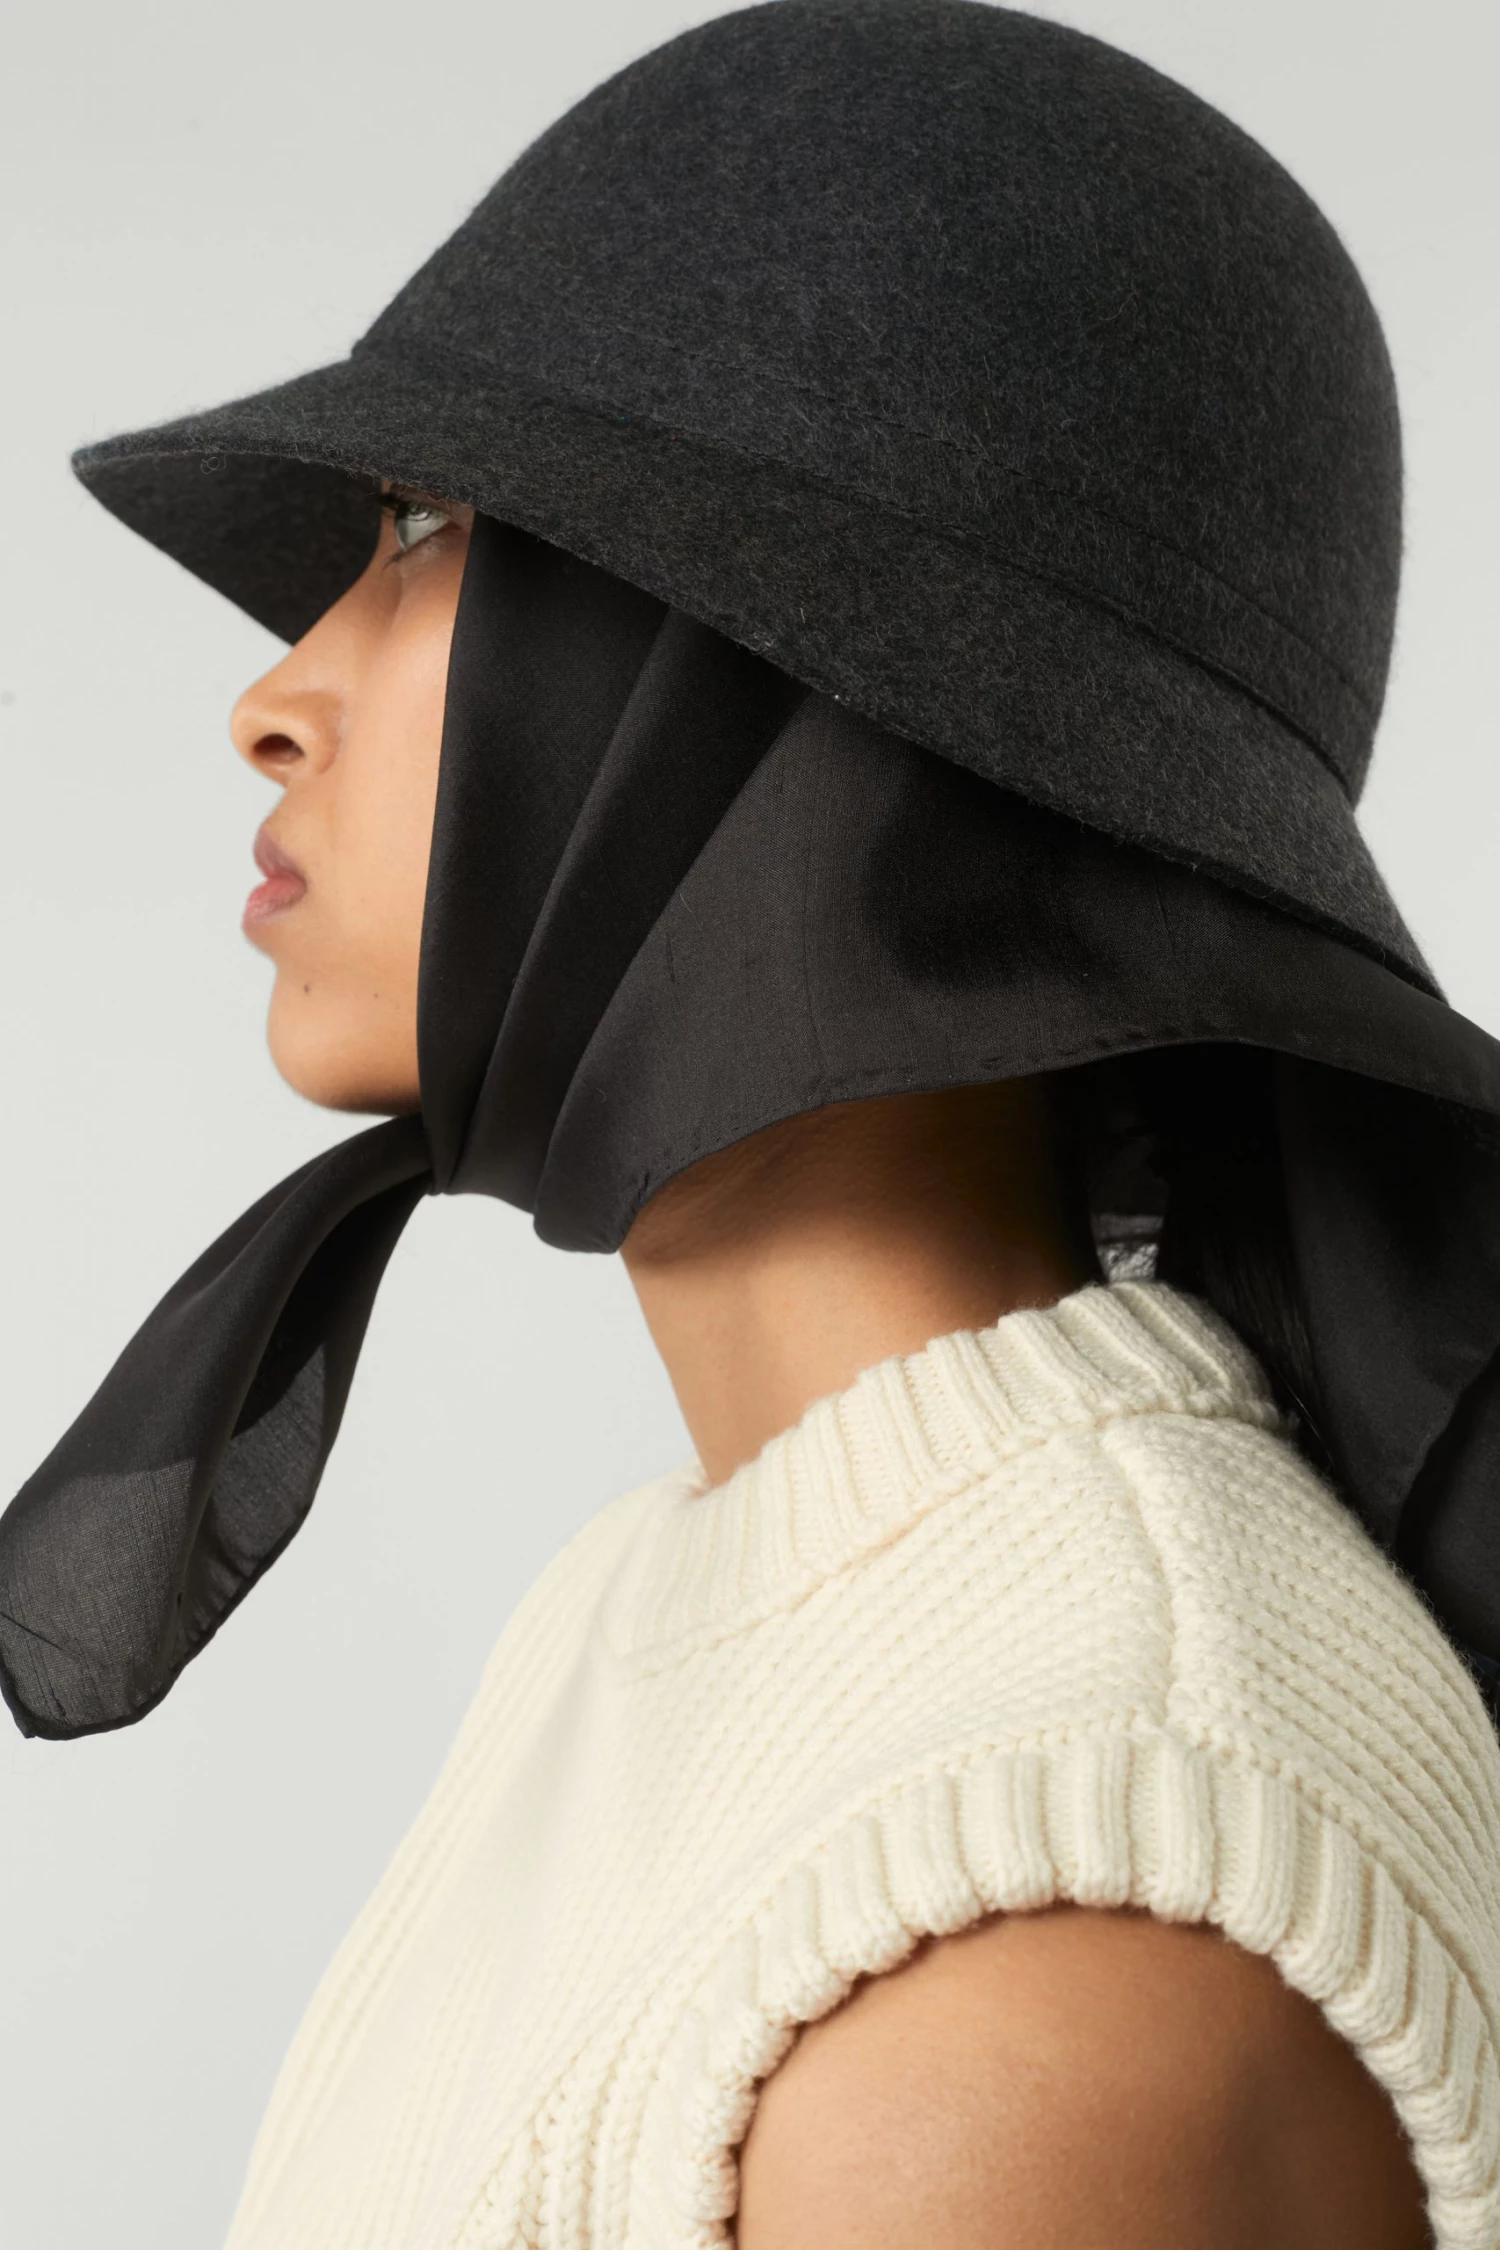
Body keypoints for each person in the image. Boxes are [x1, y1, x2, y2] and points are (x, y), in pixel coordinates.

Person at [7, 6, 1500, 2246]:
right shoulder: (668, 1608)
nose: (272, 696)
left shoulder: (1045, 1927)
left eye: (428, 531)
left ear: (794, 708)